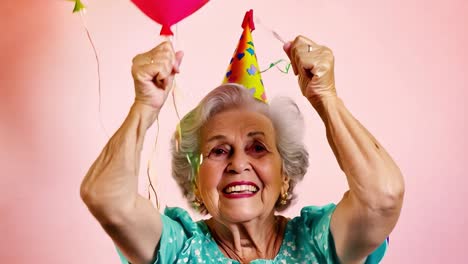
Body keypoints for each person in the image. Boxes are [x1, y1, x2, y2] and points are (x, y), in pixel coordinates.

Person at [80, 35, 404, 264]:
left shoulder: (318, 243)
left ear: (286, 175)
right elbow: (106, 198)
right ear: (195, 180)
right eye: (219, 151)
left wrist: (326, 97)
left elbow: (382, 196)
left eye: (258, 148)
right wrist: (145, 105)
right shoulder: (176, 248)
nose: (238, 163)